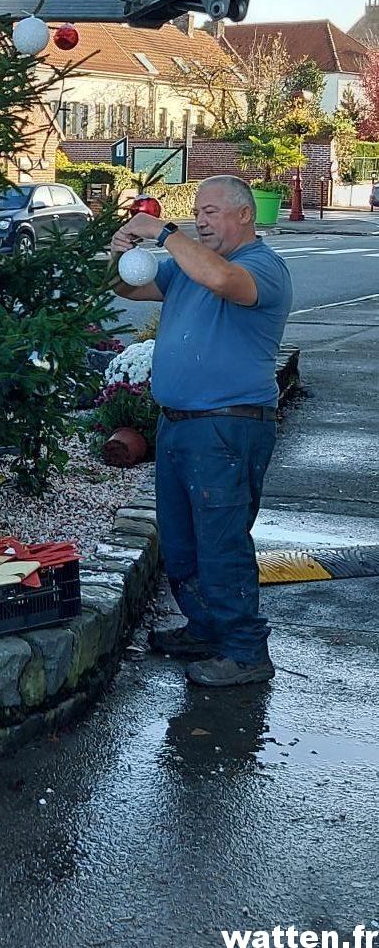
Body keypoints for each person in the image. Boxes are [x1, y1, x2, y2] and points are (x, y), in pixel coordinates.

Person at [112, 175, 293, 688]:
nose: (202, 220)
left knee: (221, 542)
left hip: (227, 427)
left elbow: (222, 281)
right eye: (197, 211)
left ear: (245, 215)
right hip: (179, 425)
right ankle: (206, 627)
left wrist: (165, 230)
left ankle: (245, 652)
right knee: (182, 541)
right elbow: (130, 286)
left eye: (212, 211)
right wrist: (120, 252)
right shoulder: (187, 268)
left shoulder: (262, 267)